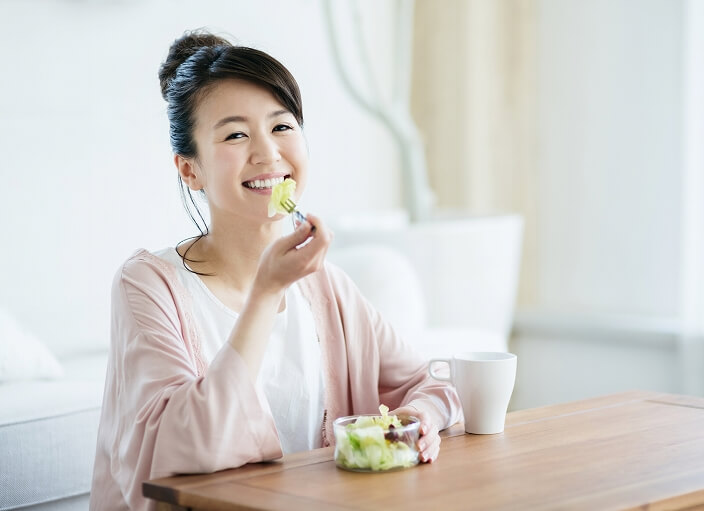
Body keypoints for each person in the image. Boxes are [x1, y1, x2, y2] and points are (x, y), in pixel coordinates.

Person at [90, 30, 461, 510]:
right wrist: (266, 292)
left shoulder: (326, 289)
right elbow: (182, 450)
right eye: (236, 134)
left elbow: (436, 383)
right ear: (190, 170)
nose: (268, 153)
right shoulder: (148, 285)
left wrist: (418, 417)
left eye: (282, 127)